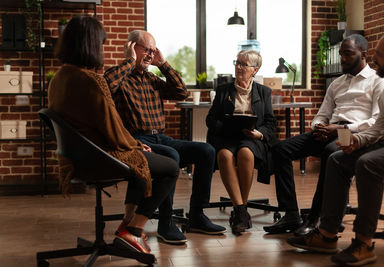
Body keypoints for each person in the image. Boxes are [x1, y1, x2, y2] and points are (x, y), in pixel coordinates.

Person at [48, 16, 179, 256]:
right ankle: (134, 231)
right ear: (89, 45)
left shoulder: (59, 77)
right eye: (100, 44)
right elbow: (111, 127)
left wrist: (135, 145)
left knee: (146, 161)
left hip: (80, 156)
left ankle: (126, 225)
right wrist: (136, 145)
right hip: (98, 158)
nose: (102, 49)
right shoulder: (91, 80)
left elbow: (101, 125)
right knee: (170, 168)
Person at [287, 31, 384, 267]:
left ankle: (364, 243)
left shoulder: (380, 83)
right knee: (337, 159)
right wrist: (357, 141)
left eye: (378, 56)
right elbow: (381, 126)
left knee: (368, 164)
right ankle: (327, 235)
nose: (374, 60)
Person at [104, 30, 226, 244]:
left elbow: (181, 92)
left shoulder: (153, 79)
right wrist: (129, 60)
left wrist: (163, 64)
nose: (150, 55)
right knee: (171, 156)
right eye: (146, 50)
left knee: (207, 151)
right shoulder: (120, 77)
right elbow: (106, 85)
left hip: (161, 137)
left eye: (153, 51)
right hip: (136, 141)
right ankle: (165, 223)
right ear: (133, 47)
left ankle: (197, 216)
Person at [263, 34, 384, 235]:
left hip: (355, 134)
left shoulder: (378, 82)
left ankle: (316, 218)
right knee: (280, 149)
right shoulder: (336, 83)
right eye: (341, 54)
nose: (343, 59)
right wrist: (319, 127)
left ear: (363, 54)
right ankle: (291, 214)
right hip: (329, 131)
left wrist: (340, 129)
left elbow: (375, 121)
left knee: (331, 153)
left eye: (348, 54)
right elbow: (322, 115)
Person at [206, 50, 277, 234]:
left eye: (243, 64)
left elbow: (270, 124)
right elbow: (210, 120)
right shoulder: (223, 90)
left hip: (251, 138)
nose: (238, 67)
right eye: (237, 63)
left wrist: (258, 133)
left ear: (255, 69)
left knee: (245, 153)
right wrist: (225, 126)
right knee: (224, 155)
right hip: (227, 137)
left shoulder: (264, 92)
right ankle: (242, 211)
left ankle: (239, 210)